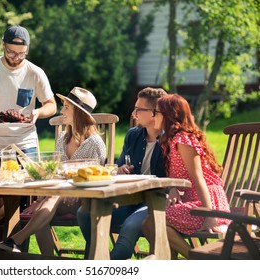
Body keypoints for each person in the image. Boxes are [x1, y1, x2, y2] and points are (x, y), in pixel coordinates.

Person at [0, 87, 106, 255]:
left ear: (79, 113)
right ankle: (48, 262)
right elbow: (56, 173)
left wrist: (64, 192)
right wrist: (43, 197)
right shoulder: (62, 138)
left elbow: (96, 178)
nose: (61, 111)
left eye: (66, 107)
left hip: (85, 199)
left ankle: (16, 240)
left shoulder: (95, 143)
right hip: (59, 195)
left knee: (47, 203)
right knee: (43, 210)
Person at [77, 87, 167, 259]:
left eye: (139, 109)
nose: (134, 113)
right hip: (129, 199)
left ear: (155, 113)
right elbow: (119, 166)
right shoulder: (133, 135)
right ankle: (98, 256)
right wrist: (119, 170)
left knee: (130, 226)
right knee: (84, 213)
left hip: (155, 202)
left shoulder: (170, 140)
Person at [142, 93, 231, 259]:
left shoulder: (183, 140)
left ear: (169, 115)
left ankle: (195, 260)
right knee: (151, 223)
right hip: (193, 201)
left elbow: (199, 179)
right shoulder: (170, 139)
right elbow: (179, 174)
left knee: (152, 222)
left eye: (157, 112)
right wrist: (174, 188)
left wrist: (209, 215)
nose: (154, 116)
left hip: (208, 204)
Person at [0, 25, 57, 161]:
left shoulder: (35, 72)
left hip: (26, 142)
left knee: (26, 181)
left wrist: (38, 112)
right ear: (3, 45)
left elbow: (51, 105)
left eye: (22, 54)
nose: (16, 58)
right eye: (11, 52)